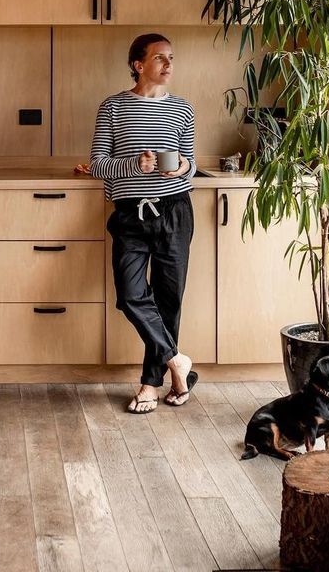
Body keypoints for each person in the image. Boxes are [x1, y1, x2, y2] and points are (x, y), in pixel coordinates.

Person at [90, 33, 197, 414]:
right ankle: (177, 362)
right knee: (131, 294)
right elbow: (99, 164)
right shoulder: (113, 108)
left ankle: (152, 384)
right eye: (160, 58)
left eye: (171, 58)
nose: (168, 65)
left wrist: (182, 167)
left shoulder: (182, 109)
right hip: (130, 214)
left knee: (169, 300)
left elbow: (190, 162)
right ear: (138, 64)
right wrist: (134, 165)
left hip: (174, 210)